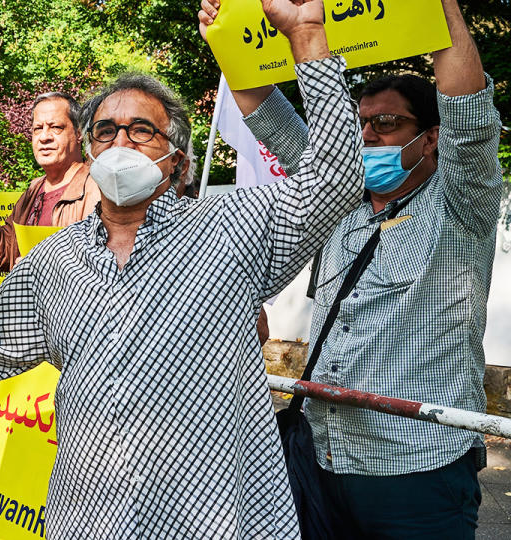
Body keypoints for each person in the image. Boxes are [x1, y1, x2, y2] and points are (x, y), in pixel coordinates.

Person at [0, 0, 363, 534]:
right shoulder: (54, 261)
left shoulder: (234, 226)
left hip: (215, 518)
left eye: (141, 130)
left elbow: (335, 178)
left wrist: (307, 36)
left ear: (178, 160)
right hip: (89, 516)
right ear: (90, 153)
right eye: (105, 131)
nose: (121, 140)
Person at [201, 0, 501, 536]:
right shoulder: (336, 197)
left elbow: (469, 112)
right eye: (361, 123)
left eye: (386, 123)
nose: (366, 136)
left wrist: (441, 9)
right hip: (317, 456)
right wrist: (225, 35)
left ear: (431, 137)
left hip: (415, 472)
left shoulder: (461, 204)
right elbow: (270, 116)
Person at [0, 92, 100, 272]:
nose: (44, 137)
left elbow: (106, 264)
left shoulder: (97, 188)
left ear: (79, 133)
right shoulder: (34, 190)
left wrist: (44, 268)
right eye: (37, 129)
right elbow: (4, 254)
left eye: (55, 127)